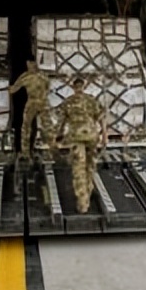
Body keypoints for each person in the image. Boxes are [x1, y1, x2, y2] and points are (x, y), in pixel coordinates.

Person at [54, 76, 107, 213]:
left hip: (76, 137)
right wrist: (104, 135)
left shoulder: (68, 102)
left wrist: (58, 136)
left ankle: (83, 202)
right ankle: (88, 191)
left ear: (73, 87)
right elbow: (101, 118)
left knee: (79, 168)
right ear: (83, 86)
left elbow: (62, 122)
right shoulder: (91, 100)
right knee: (90, 166)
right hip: (92, 136)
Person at [9, 59, 51, 157]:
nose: (30, 66)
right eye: (28, 64)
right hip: (38, 102)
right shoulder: (38, 76)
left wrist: (11, 89)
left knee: (44, 127)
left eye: (31, 64)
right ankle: (26, 152)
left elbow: (14, 89)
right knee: (29, 127)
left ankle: (27, 152)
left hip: (37, 102)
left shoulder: (34, 76)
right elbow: (48, 88)